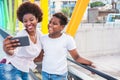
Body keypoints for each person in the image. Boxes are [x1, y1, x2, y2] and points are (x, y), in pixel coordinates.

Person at [34, 12, 94, 80]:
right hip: (45, 74)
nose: (50, 25)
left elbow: (77, 58)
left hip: (60, 76)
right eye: (50, 22)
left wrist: (90, 63)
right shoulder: (43, 39)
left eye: (54, 24)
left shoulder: (67, 39)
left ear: (62, 27)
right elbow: (40, 57)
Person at [2, 1, 43, 80]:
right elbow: (12, 52)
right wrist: (7, 50)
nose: (28, 23)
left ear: (37, 19)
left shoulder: (40, 35)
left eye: (31, 20)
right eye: (25, 21)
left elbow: (39, 57)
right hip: (10, 67)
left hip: (25, 70)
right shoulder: (22, 35)